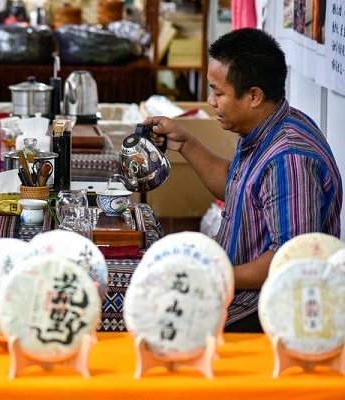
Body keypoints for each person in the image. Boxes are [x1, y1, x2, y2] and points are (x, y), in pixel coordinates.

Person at [144, 28, 342, 332]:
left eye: (218, 93)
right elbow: (238, 188)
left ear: (253, 96)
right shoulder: (267, 125)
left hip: (261, 314)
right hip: (239, 295)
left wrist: (213, 274)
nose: (211, 101)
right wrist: (185, 142)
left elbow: (290, 260)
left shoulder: (288, 160)